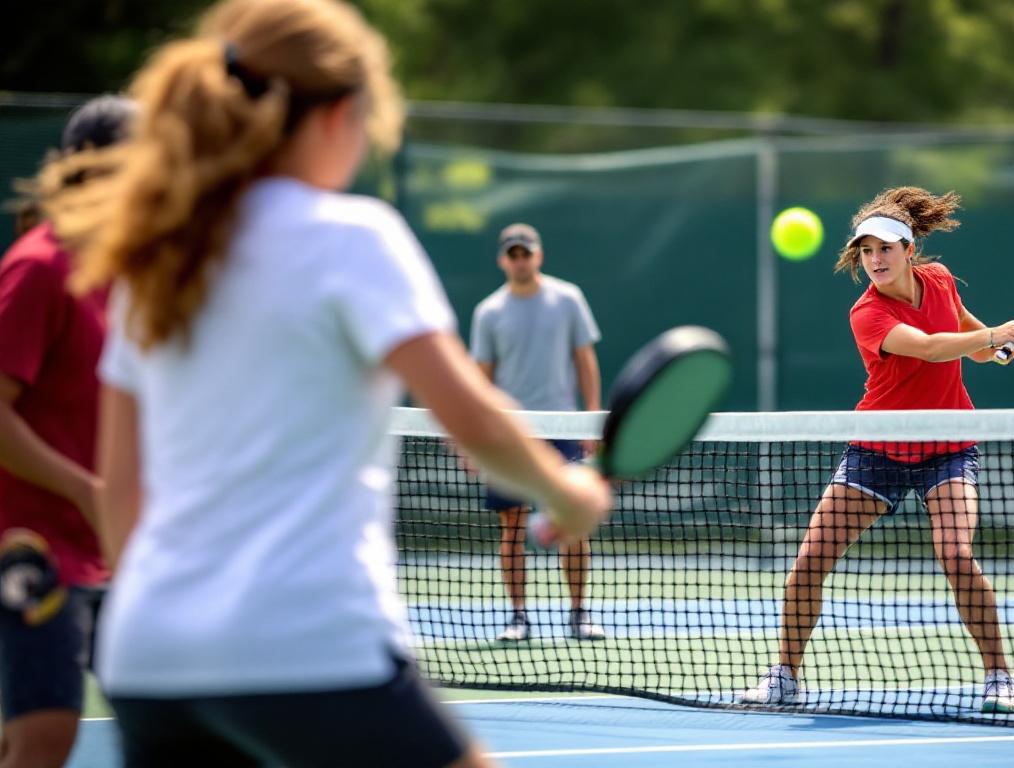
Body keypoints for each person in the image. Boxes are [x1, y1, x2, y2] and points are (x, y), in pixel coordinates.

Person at [43, 1, 610, 766]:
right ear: (340, 113)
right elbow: (471, 417)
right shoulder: (354, 237)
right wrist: (568, 492)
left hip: (149, 658)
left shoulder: (155, 262)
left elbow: (120, 488)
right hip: (310, 647)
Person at [738, 187, 1014, 714]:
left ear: (909, 251)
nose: (875, 260)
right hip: (878, 448)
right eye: (867, 251)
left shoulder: (939, 281)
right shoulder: (867, 314)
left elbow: (977, 347)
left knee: (956, 556)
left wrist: (1003, 344)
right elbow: (926, 346)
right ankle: (784, 675)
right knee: (809, 562)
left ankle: (998, 676)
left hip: (948, 446)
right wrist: (992, 335)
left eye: (886, 249)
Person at [0, 94, 135, 768]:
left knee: (183, 724)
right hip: (30, 546)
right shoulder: (38, 267)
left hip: (110, 549)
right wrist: (87, 490)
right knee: (47, 732)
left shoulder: (128, 277)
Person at [470, 223, 605, 642]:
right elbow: (481, 377)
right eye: (513, 253)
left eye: (526, 252)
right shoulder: (488, 312)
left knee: (573, 520)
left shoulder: (568, 299)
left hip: (562, 426)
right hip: (510, 433)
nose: (520, 259)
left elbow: (585, 360)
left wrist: (591, 418)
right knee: (512, 526)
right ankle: (518, 618)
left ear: (538, 256)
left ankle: (580, 614)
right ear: (502, 260)